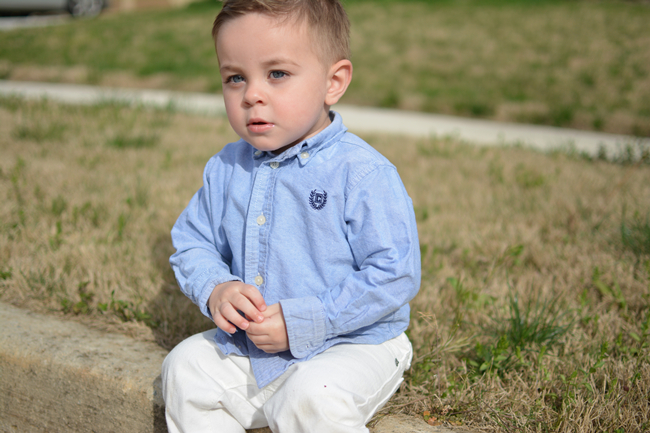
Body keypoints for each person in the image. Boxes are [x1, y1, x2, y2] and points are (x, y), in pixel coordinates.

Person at [161, 0, 421, 431]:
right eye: (235, 77)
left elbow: (395, 273)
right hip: (255, 348)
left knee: (309, 395)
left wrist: (307, 320)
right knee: (184, 368)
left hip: (355, 342)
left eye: (277, 73)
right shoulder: (226, 168)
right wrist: (216, 287)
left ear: (333, 82)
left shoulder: (361, 173)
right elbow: (193, 241)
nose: (252, 94)